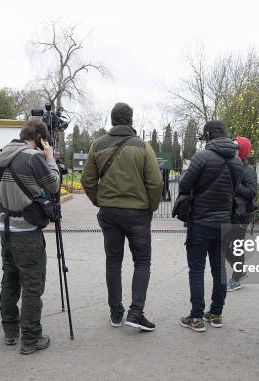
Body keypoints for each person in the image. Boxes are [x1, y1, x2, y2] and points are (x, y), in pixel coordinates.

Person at [81, 102, 162, 331]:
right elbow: (155, 182)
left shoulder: (97, 145)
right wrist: (150, 207)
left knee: (113, 261)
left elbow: (87, 180)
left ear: (113, 119)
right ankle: (136, 312)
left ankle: (116, 312)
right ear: (131, 119)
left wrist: (100, 200)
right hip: (138, 213)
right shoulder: (143, 146)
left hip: (109, 213)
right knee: (142, 261)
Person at [0, 119, 60, 355]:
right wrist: (49, 157)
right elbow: (53, 185)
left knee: (10, 278)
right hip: (27, 229)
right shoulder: (33, 158)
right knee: (32, 284)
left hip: (5, 227)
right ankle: (31, 338)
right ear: (42, 138)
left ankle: (10, 331)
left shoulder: (1, 156)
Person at [178, 120, 243, 332]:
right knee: (219, 270)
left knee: (196, 269)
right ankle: (216, 314)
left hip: (200, 222)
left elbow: (185, 185)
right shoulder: (236, 161)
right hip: (223, 222)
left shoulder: (202, 157)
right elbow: (234, 191)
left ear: (208, 135)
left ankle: (196, 317)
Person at [226, 136, 256, 291]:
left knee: (237, 246)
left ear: (243, 150)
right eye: (232, 147)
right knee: (222, 244)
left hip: (241, 214)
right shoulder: (230, 166)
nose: (233, 150)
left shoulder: (248, 170)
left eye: (237, 147)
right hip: (228, 212)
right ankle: (240, 270)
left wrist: (235, 184)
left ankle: (237, 277)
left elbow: (251, 193)